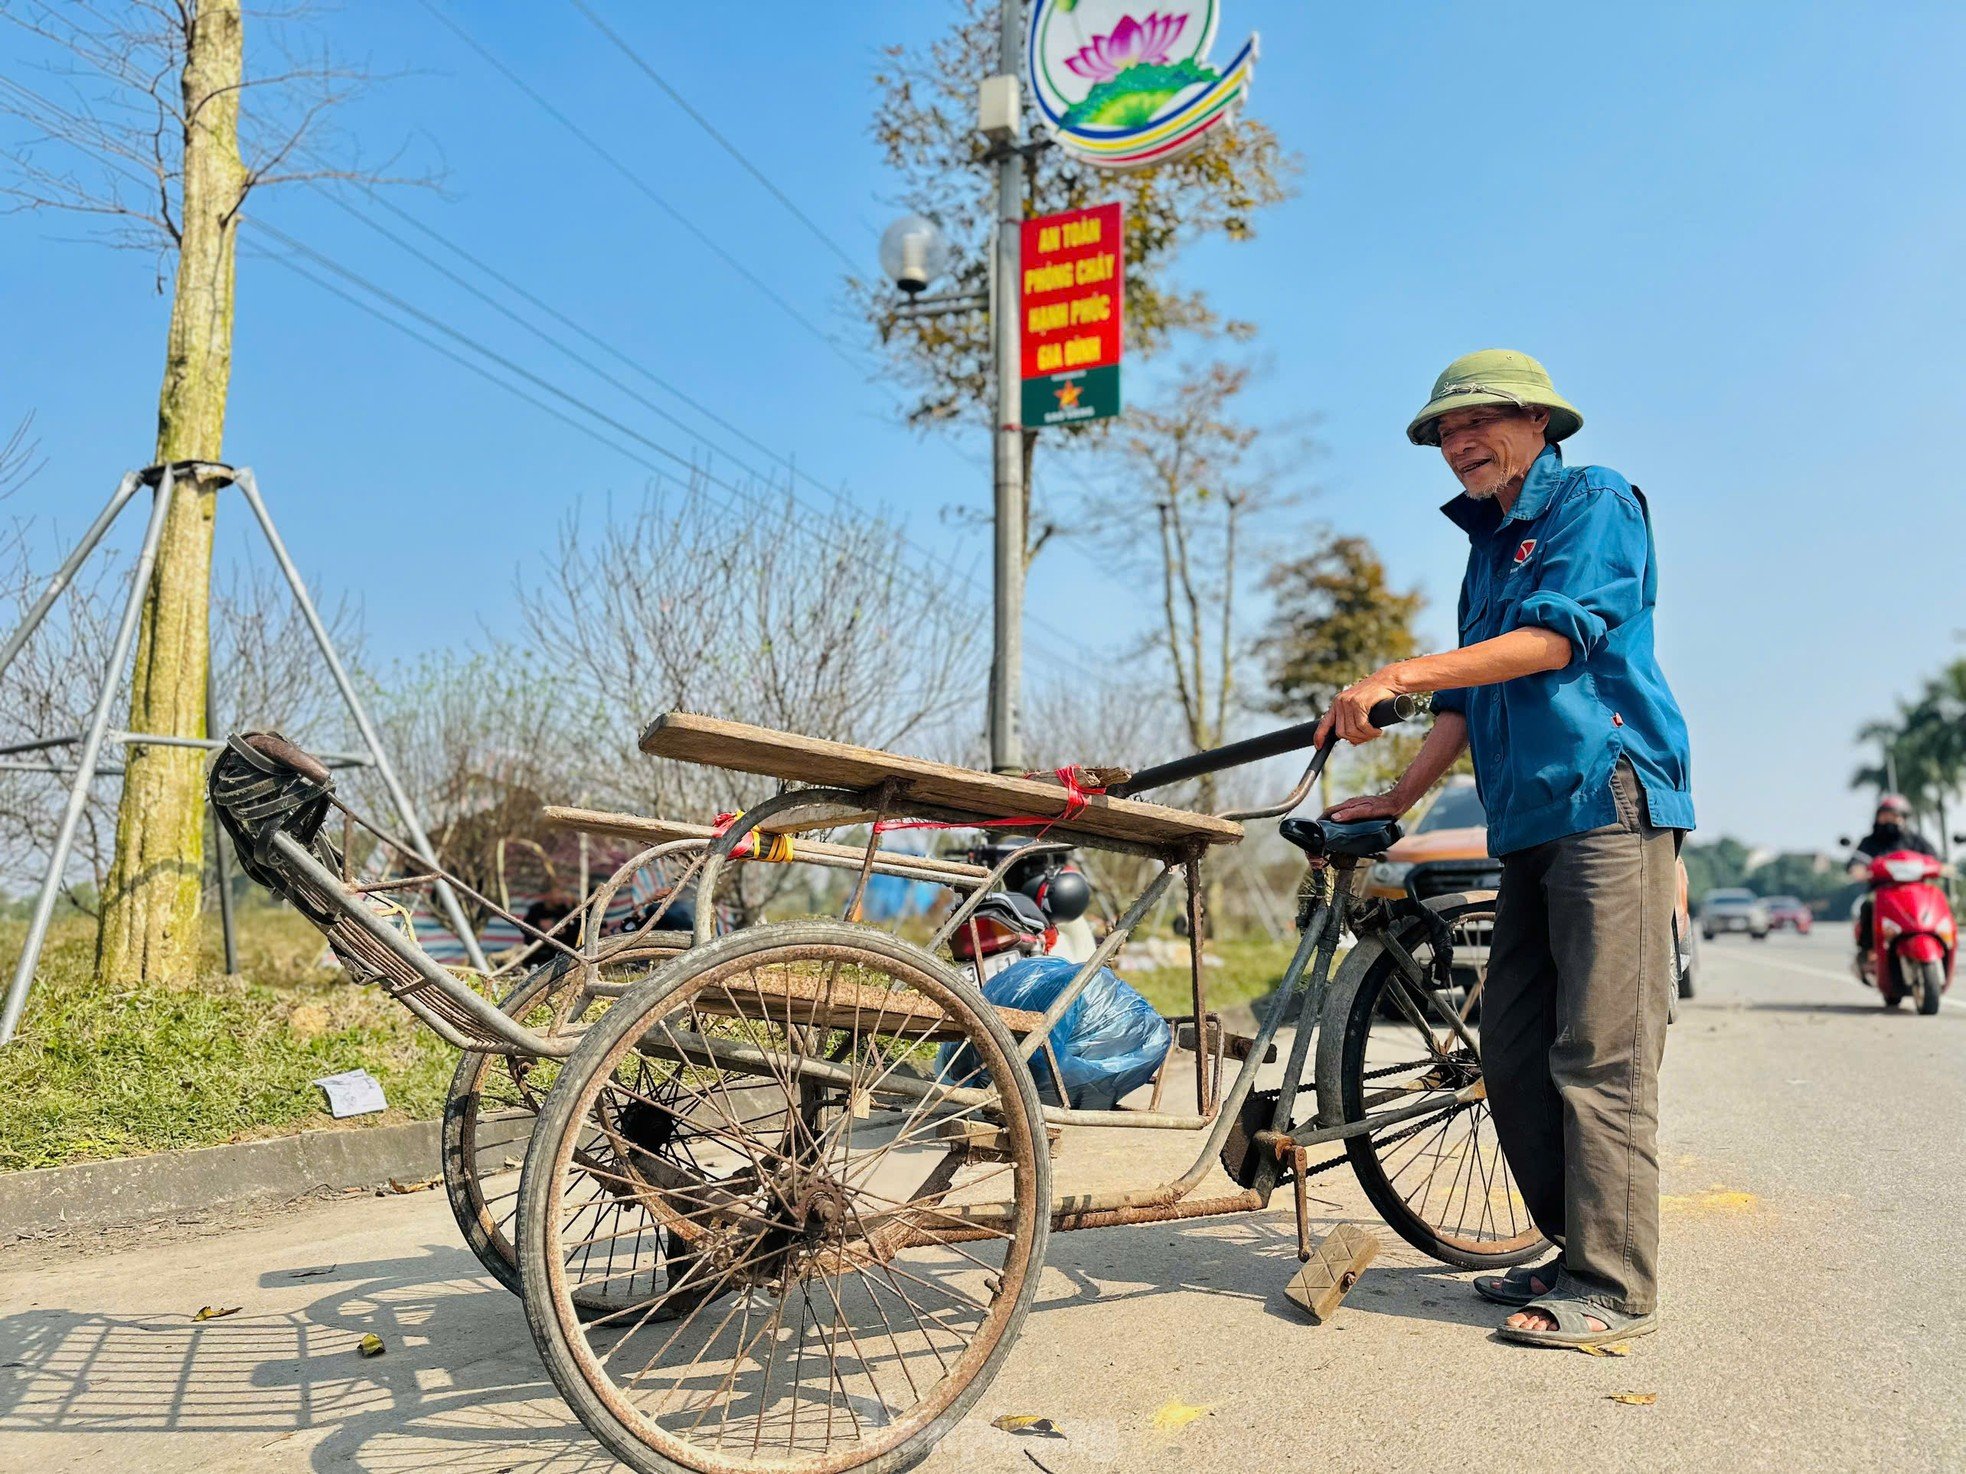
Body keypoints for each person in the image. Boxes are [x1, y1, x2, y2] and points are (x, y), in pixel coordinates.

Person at [1315, 349, 1694, 1349]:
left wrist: (1394, 669)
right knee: (1515, 1055)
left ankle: (1613, 1285)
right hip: (1524, 819)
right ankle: (1574, 1245)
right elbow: (1465, 697)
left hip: (1606, 800)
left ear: (1536, 421)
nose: (1457, 445)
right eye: (1443, 432)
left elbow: (1554, 642)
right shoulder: (1486, 547)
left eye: (1474, 423)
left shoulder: (1594, 501)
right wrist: (1394, 795)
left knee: (1598, 1054)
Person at [1848, 794, 1937, 961]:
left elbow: (1934, 857)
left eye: (1895, 815)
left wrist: (1942, 865)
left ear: (1903, 818)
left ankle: (1940, 940)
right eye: (1885, 815)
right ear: (1878, 817)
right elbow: (1857, 860)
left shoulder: (1915, 840)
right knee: (1868, 905)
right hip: (1882, 892)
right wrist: (1857, 868)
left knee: (1937, 900)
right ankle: (1868, 951)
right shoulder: (1870, 842)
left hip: (1916, 893)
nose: (1890, 819)